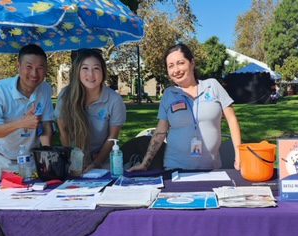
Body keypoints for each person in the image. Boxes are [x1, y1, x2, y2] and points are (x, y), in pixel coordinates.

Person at [129, 43, 242, 171]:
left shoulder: (213, 86)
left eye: (180, 63)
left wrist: (239, 155)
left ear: (192, 63)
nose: (176, 70)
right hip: (175, 168)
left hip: (211, 169)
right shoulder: (168, 94)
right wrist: (145, 164)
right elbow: (160, 132)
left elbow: (232, 120)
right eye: (170, 66)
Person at [0, 44, 54, 181]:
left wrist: (46, 156)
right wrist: (22, 123)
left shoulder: (45, 89)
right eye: (29, 67)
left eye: (40, 68)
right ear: (19, 67)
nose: (34, 74)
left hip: (31, 161)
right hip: (1, 162)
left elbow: (46, 124)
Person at [56, 49, 127, 172]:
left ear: (103, 72)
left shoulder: (115, 100)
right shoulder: (65, 95)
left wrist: (96, 163)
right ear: (77, 71)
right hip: (73, 162)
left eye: (96, 68)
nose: (91, 74)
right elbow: (64, 132)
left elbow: (113, 136)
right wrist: (72, 161)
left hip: (103, 162)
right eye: (85, 68)